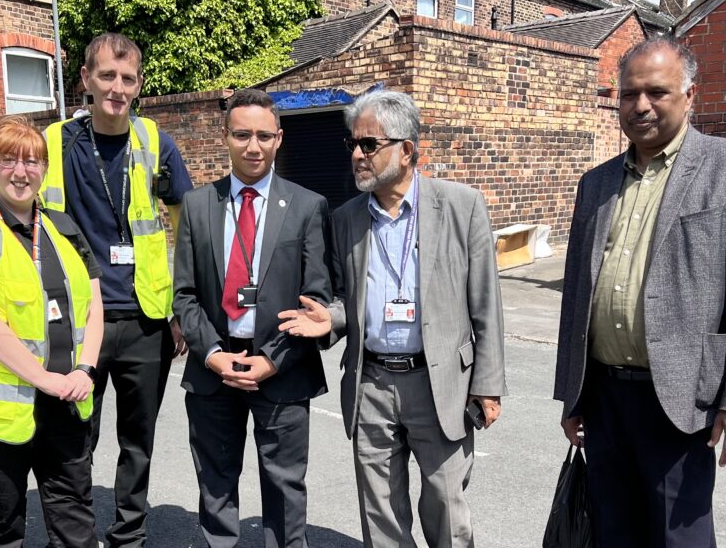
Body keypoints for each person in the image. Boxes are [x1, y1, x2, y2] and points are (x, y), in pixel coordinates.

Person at [279, 90, 506, 547]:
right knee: (380, 513)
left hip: (439, 381)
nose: (357, 155)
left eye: (369, 145)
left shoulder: (461, 206)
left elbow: (486, 303)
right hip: (372, 382)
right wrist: (332, 320)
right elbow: (345, 296)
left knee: (446, 508)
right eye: (353, 145)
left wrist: (488, 384)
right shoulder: (346, 219)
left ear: (406, 149)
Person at [555, 36, 726, 546]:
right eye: (629, 94)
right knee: (613, 532)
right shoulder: (597, 181)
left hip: (682, 400)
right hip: (604, 397)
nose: (640, 106)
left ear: (690, 95)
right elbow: (577, 296)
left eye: (657, 92)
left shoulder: (720, 167)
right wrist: (572, 395)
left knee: (681, 540)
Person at [40, 32, 193, 547]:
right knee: (74, 439)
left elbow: (187, 229)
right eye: (107, 75)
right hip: (79, 322)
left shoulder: (156, 144)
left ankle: (130, 535)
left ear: (139, 84)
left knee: (138, 441)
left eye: (128, 78)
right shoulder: (54, 145)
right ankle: (76, 535)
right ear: (85, 78)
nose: (117, 88)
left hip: (146, 321)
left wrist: (181, 311)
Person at [173, 88, 332, 547]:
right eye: (242, 134)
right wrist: (214, 355)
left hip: (281, 368)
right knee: (216, 483)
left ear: (279, 139)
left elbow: (316, 298)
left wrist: (273, 360)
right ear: (225, 137)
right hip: (214, 370)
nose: (253, 146)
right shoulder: (198, 205)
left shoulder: (306, 206)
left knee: (284, 487)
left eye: (264, 135)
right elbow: (185, 295)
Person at [0, 115, 104, 547]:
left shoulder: (63, 227)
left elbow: (94, 305)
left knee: (74, 518)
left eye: (31, 162)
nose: (20, 172)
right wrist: (44, 378)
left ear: (43, 170)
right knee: (1, 527)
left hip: (65, 401)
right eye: (9, 159)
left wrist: (85, 368)